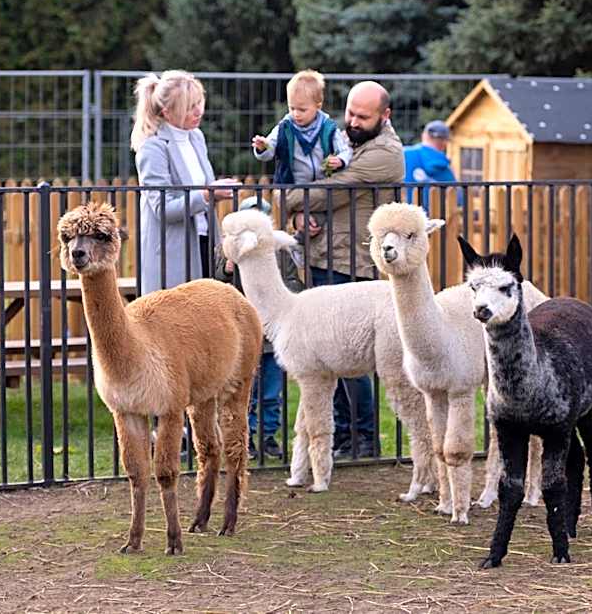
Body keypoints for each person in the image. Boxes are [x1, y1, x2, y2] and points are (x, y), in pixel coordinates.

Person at [285, 80, 405, 459]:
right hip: (325, 255)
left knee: (353, 357)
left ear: (384, 116)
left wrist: (294, 201)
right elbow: (312, 191)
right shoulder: (344, 142)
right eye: (350, 112)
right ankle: (340, 437)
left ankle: (364, 438)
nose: (352, 120)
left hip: (352, 262)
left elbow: (323, 191)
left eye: (362, 115)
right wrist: (299, 219)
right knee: (327, 354)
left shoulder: (384, 154)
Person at [131, 69, 238, 296]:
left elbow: (201, 191)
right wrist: (208, 195)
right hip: (173, 255)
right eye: (190, 106)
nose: (199, 111)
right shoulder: (153, 147)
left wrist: (214, 192)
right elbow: (163, 208)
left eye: (199, 102)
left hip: (205, 243)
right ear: (167, 112)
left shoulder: (196, 137)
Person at [214, 195, 303, 460]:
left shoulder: (278, 252)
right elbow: (218, 281)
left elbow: (293, 282)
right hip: (243, 333)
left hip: (271, 334)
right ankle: (245, 435)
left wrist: (281, 299)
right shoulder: (228, 251)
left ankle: (268, 435)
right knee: (244, 388)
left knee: (271, 391)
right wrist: (229, 269)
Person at [253, 69, 353, 268]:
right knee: (297, 213)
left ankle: (301, 245)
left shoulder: (328, 127)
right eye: (292, 108)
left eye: (302, 109)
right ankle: (296, 245)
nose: (295, 114)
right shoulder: (285, 125)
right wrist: (262, 147)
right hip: (292, 183)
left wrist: (340, 161)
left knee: (315, 222)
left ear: (318, 105)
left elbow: (345, 150)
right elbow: (270, 148)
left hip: (321, 183)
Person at [403, 119, 458, 211]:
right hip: (437, 219)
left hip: (405, 215)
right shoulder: (445, 166)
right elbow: (455, 197)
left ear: (424, 135)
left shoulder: (403, 153)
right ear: (445, 142)